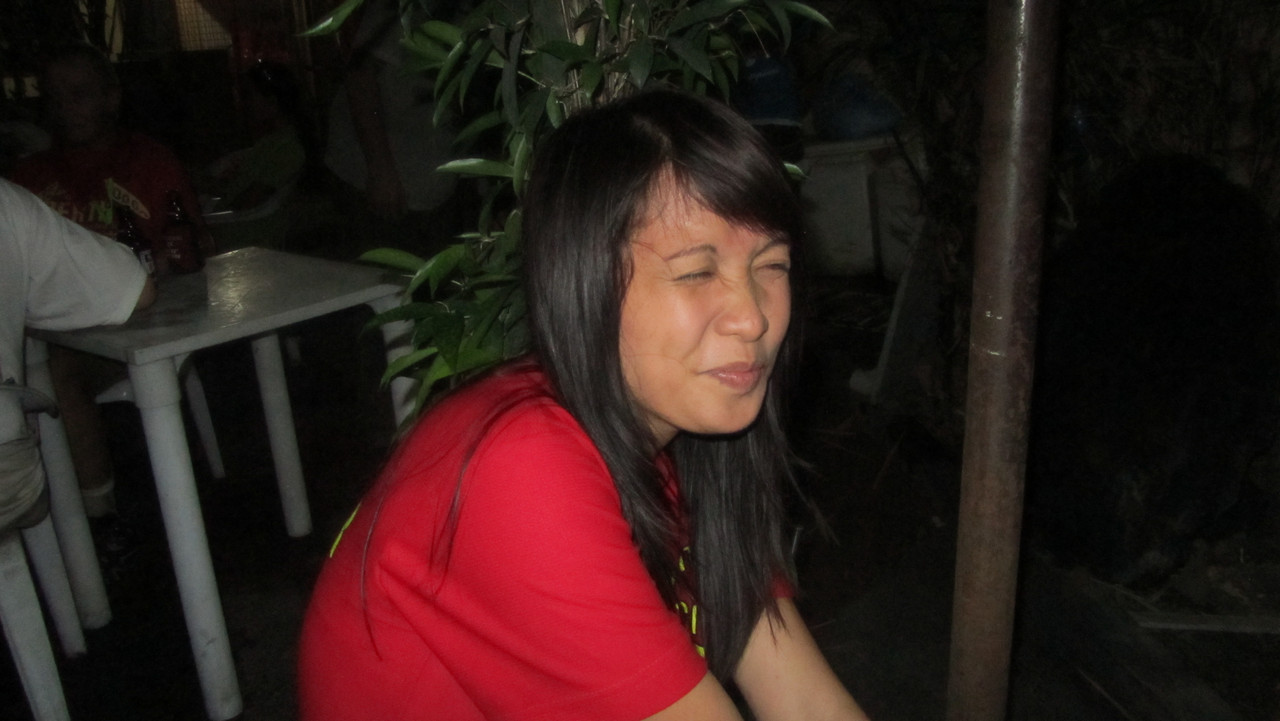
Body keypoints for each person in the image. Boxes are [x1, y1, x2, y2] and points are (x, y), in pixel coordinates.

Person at [298, 90, 871, 721]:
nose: (753, 317)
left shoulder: (680, 432)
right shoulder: (519, 467)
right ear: (587, 283)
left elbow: (803, 698)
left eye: (771, 264)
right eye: (695, 272)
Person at [6, 44, 206, 529]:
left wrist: (166, 260)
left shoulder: (151, 161)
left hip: (140, 321)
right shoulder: (26, 179)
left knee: (57, 371)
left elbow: (194, 247)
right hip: (51, 335)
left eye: (79, 94)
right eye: (55, 97)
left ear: (111, 97)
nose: (66, 108)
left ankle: (99, 520)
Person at [0, 178, 155, 531]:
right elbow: (135, 288)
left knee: (59, 373)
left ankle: (100, 517)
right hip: (9, 466)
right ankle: (101, 521)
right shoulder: (11, 198)